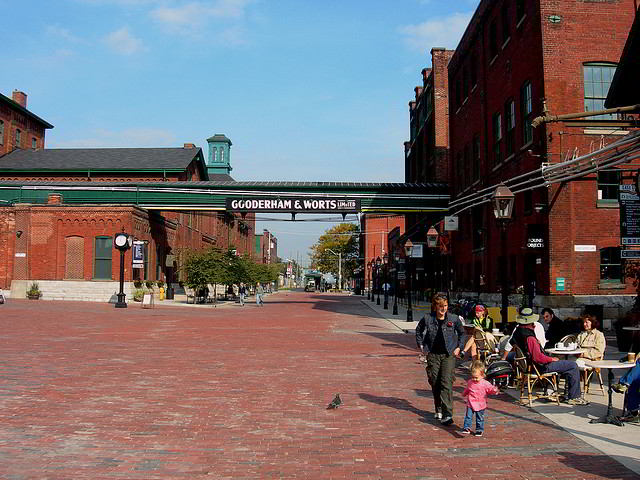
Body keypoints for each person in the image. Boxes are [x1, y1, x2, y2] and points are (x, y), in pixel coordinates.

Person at [510, 308, 588, 405]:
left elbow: (514, 347)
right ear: (530, 323)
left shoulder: (517, 332)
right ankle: (574, 397)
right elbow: (538, 358)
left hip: (528, 367)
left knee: (562, 364)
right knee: (572, 365)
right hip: (539, 367)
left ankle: (551, 391)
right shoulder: (530, 338)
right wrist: (551, 359)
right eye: (533, 322)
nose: (534, 324)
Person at [416, 293, 465, 425]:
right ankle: (438, 407)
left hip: (448, 355)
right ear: (435, 306)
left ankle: (447, 414)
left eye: (445, 306)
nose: (443, 309)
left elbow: (462, 333)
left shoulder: (454, 319)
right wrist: (421, 345)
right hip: (433, 354)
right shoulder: (427, 318)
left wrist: (459, 347)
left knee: (446, 382)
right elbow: (419, 331)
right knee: (435, 381)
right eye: (440, 306)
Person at [459, 360, 500, 436]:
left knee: (479, 418)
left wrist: (494, 390)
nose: (474, 379)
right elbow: (468, 389)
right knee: (468, 416)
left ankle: (479, 429)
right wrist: (464, 394)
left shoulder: (485, 383)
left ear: (482, 375)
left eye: (476, 377)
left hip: (480, 404)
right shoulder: (470, 382)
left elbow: (490, 389)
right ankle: (466, 427)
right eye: (473, 377)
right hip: (470, 403)